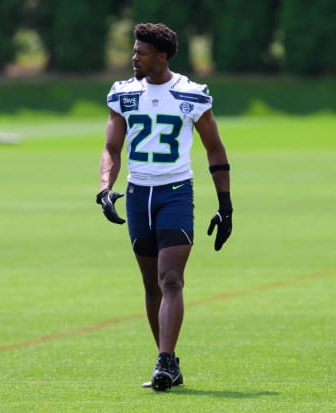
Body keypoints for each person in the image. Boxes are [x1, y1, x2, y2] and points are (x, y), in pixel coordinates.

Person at [96, 23, 233, 391]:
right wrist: (105, 189)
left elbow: (215, 149)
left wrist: (226, 205)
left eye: (140, 52)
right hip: (138, 194)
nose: (133, 57)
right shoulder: (123, 94)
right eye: (134, 50)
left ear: (162, 56)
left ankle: (165, 360)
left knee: (170, 278)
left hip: (175, 193)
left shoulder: (191, 94)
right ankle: (167, 363)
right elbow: (112, 148)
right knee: (151, 285)